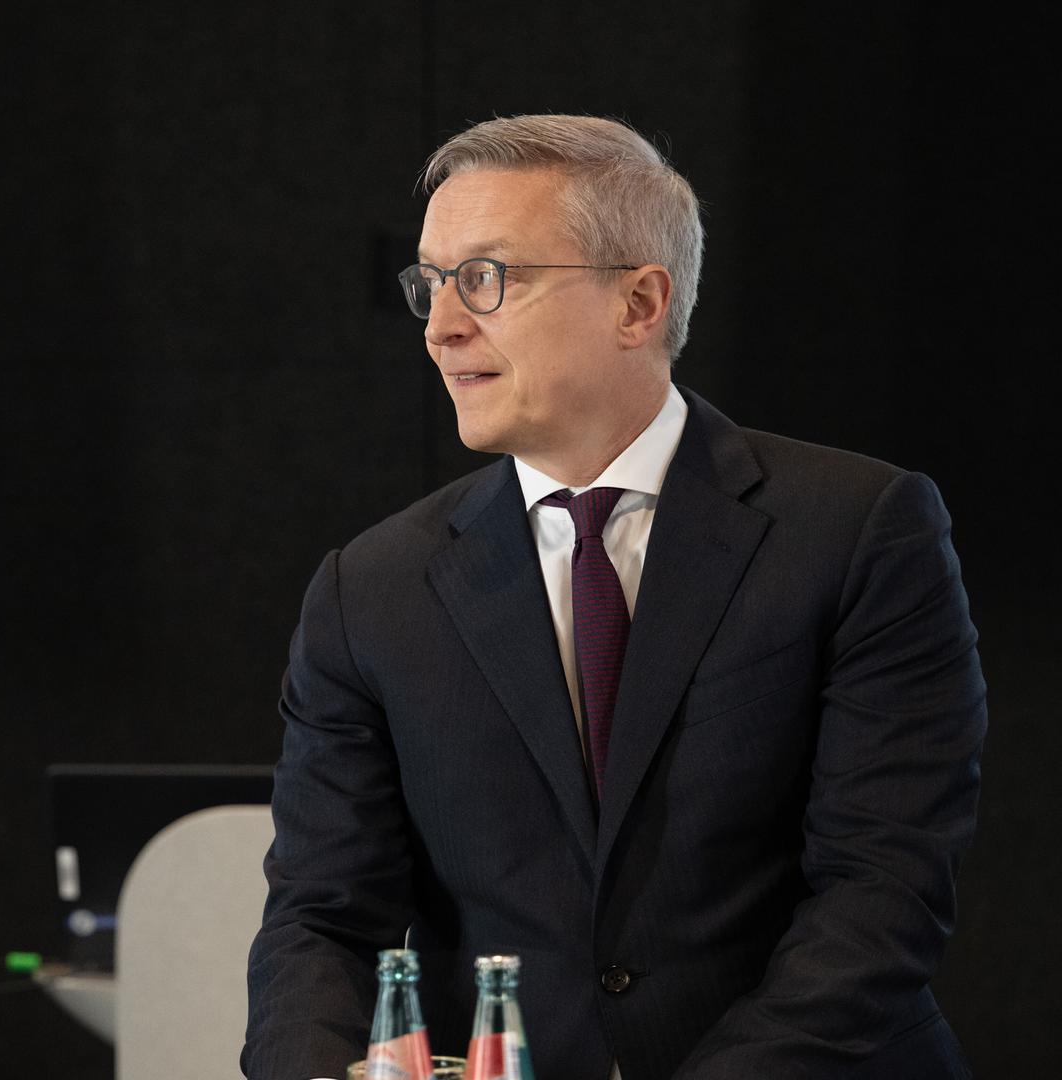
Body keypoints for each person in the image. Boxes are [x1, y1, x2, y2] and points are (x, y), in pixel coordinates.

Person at [243, 115, 984, 1080]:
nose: (441, 325)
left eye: (486, 278)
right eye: (430, 283)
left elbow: (882, 891)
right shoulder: (369, 590)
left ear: (638, 303)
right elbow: (321, 918)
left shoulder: (860, 530)